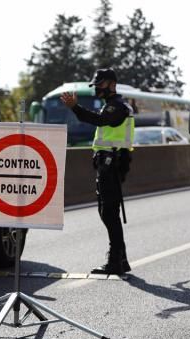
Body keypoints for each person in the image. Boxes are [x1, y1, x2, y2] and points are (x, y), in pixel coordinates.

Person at [60, 68, 134, 275]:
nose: (97, 90)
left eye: (100, 85)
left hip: (112, 162)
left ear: (111, 84)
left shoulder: (117, 106)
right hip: (110, 162)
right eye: (95, 85)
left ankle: (115, 262)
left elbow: (98, 120)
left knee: (108, 213)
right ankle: (121, 259)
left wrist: (75, 108)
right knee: (109, 212)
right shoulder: (114, 105)